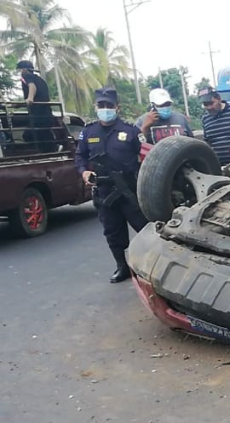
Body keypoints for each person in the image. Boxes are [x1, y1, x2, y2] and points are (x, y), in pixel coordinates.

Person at [74, 88, 149, 284]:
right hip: (104, 190)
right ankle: (121, 267)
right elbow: (80, 155)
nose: (105, 109)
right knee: (112, 232)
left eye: (109, 106)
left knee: (145, 229)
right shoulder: (88, 132)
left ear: (117, 107)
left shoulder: (130, 131)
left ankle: (150, 266)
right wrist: (83, 171)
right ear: (95, 107)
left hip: (129, 189)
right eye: (101, 105)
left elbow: (145, 156)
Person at [16, 60, 55, 152]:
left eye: (20, 70)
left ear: (25, 69)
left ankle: (49, 150)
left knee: (28, 135)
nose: (20, 73)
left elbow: (32, 86)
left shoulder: (27, 76)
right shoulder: (40, 79)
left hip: (39, 114)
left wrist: (30, 98)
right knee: (44, 135)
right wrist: (18, 105)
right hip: (45, 113)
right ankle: (51, 150)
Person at [199, 88, 230, 166]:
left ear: (219, 99)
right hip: (219, 166)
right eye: (206, 105)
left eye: (211, 103)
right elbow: (208, 143)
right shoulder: (205, 118)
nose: (209, 107)